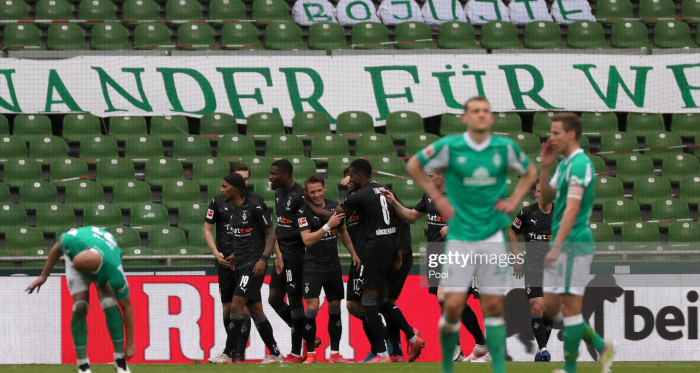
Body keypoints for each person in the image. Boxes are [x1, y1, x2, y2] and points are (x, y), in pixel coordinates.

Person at [406, 96, 537, 373]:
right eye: (475, 111)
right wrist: (437, 199)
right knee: (448, 302)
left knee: (491, 304)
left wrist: (513, 202)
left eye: (486, 111)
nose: (481, 115)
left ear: (490, 118)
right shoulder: (450, 146)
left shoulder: (504, 147)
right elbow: (414, 165)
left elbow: (530, 172)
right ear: (465, 118)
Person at [382, 169, 490, 363]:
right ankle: (475, 346)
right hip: (434, 253)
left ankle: (465, 347)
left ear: (442, 175)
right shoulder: (429, 195)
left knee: (444, 297)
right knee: (448, 302)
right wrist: (394, 203)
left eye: (431, 176)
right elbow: (412, 216)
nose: (428, 179)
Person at [537, 113, 616, 373]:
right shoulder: (565, 164)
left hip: (573, 243)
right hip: (561, 243)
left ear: (571, 134)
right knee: (549, 306)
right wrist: (545, 165)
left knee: (570, 309)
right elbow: (548, 196)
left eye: (556, 132)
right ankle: (602, 345)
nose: (552, 137)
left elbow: (571, 209)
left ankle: (569, 368)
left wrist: (557, 245)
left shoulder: (581, 164)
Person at [334, 159, 426, 363]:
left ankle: (386, 352)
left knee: (372, 301)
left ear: (357, 176)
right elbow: (402, 220)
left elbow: (404, 220)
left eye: (350, 177)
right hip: (377, 252)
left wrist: (398, 249)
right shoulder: (372, 195)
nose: (348, 181)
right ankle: (406, 339)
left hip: (382, 251)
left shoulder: (366, 196)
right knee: (371, 303)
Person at [26, 226, 135, 373]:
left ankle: (119, 360)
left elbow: (127, 307)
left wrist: (130, 344)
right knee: (80, 306)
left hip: (105, 263)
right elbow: (57, 247)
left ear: (91, 273)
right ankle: (83, 365)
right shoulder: (70, 241)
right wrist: (43, 275)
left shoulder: (115, 274)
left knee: (109, 303)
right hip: (77, 257)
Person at [296, 174, 360, 363]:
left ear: (324, 189)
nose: (316, 195)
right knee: (312, 311)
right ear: (307, 192)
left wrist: (354, 253)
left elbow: (343, 233)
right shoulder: (303, 212)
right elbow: (307, 240)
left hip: (332, 266)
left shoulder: (335, 207)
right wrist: (327, 226)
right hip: (312, 267)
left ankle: (335, 354)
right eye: (312, 191)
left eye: (319, 190)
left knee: (335, 310)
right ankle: (312, 355)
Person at [222, 172, 284, 363]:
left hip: (254, 265)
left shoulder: (255, 205)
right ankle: (274, 353)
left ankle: (229, 353)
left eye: (225, 186)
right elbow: (243, 237)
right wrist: (234, 255)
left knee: (236, 305)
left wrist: (264, 259)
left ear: (236, 189)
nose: (222, 190)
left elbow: (271, 234)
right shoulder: (232, 209)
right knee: (256, 311)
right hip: (240, 263)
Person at [206, 163, 257, 364]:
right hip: (225, 262)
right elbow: (207, 230)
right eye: (239, 178)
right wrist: (216, 253)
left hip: (245, 262)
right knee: (227, 308)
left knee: (242, 307)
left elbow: (264, 232)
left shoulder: (253, 202)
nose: (242, 182)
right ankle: (232, 352)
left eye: (245, 179)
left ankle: (238, 355)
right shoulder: (218, 201)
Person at [268, 159, 310, 363]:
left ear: (285, 175)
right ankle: (306, 335)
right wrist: (277, 252)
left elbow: (304, 230)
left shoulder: (300, 196)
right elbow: (280, 225)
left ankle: (296, 352)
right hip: (281, 254)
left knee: (294, 301)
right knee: (274, 299)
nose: (270, 177)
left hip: (295, 255)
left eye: (274, 173)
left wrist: (282, 245)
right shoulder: (278, 193)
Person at [508, 181, 554, 362]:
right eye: (539, 191)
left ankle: (542, 350)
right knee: (537, 306)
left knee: (549, 311)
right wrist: (517, 258)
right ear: (535, 194)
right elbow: (512, 232)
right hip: (533, 267)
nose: (541, 194)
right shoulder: (526, 213)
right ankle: (543, 349)